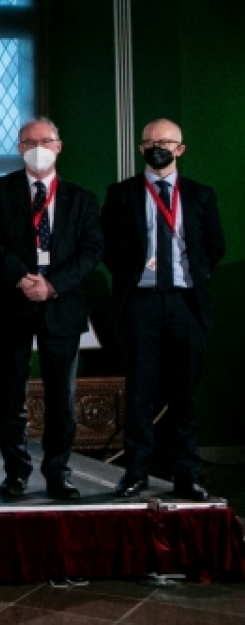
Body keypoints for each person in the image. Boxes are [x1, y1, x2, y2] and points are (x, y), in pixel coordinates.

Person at [0, 118, 104, 500]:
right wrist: (22, 278)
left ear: (58, 146)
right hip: (12, 302)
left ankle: (58, 472)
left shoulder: (81, 198)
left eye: (45, 141)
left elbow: (91, 251)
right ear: (19, 148)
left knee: (61, 398)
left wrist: (52, 285)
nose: (37, 148)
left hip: (62, 305)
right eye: (29, 142)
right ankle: (15, 473)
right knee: (11, 396)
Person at [102, 118, 225, 500]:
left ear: (180, 149)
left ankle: (186, 474)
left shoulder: (201, 195)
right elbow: (109, 247)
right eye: (151, 143)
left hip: (185, 302)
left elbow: (214, 246)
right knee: (140, 390)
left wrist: (188, 274)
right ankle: (136, 472)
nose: (159, 149)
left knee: (184, 393)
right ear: (141, 148)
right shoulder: (121, 194)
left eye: (166, 143)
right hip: (140, 302)